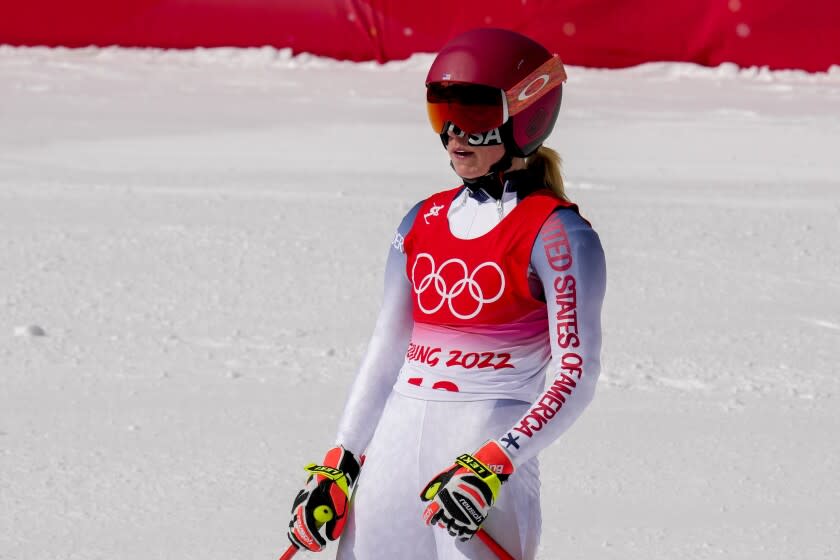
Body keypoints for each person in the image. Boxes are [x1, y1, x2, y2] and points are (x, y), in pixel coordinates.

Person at [285, 28, 606, 560]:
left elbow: (576, 374)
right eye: (442, 113)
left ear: (524, 117)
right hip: (393, 445)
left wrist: (497, 461)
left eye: (476, 116)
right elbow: (386, 352)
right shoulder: (422, 218)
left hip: (479, 452)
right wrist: (342, 460)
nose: (455, 133)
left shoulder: (558, 234)